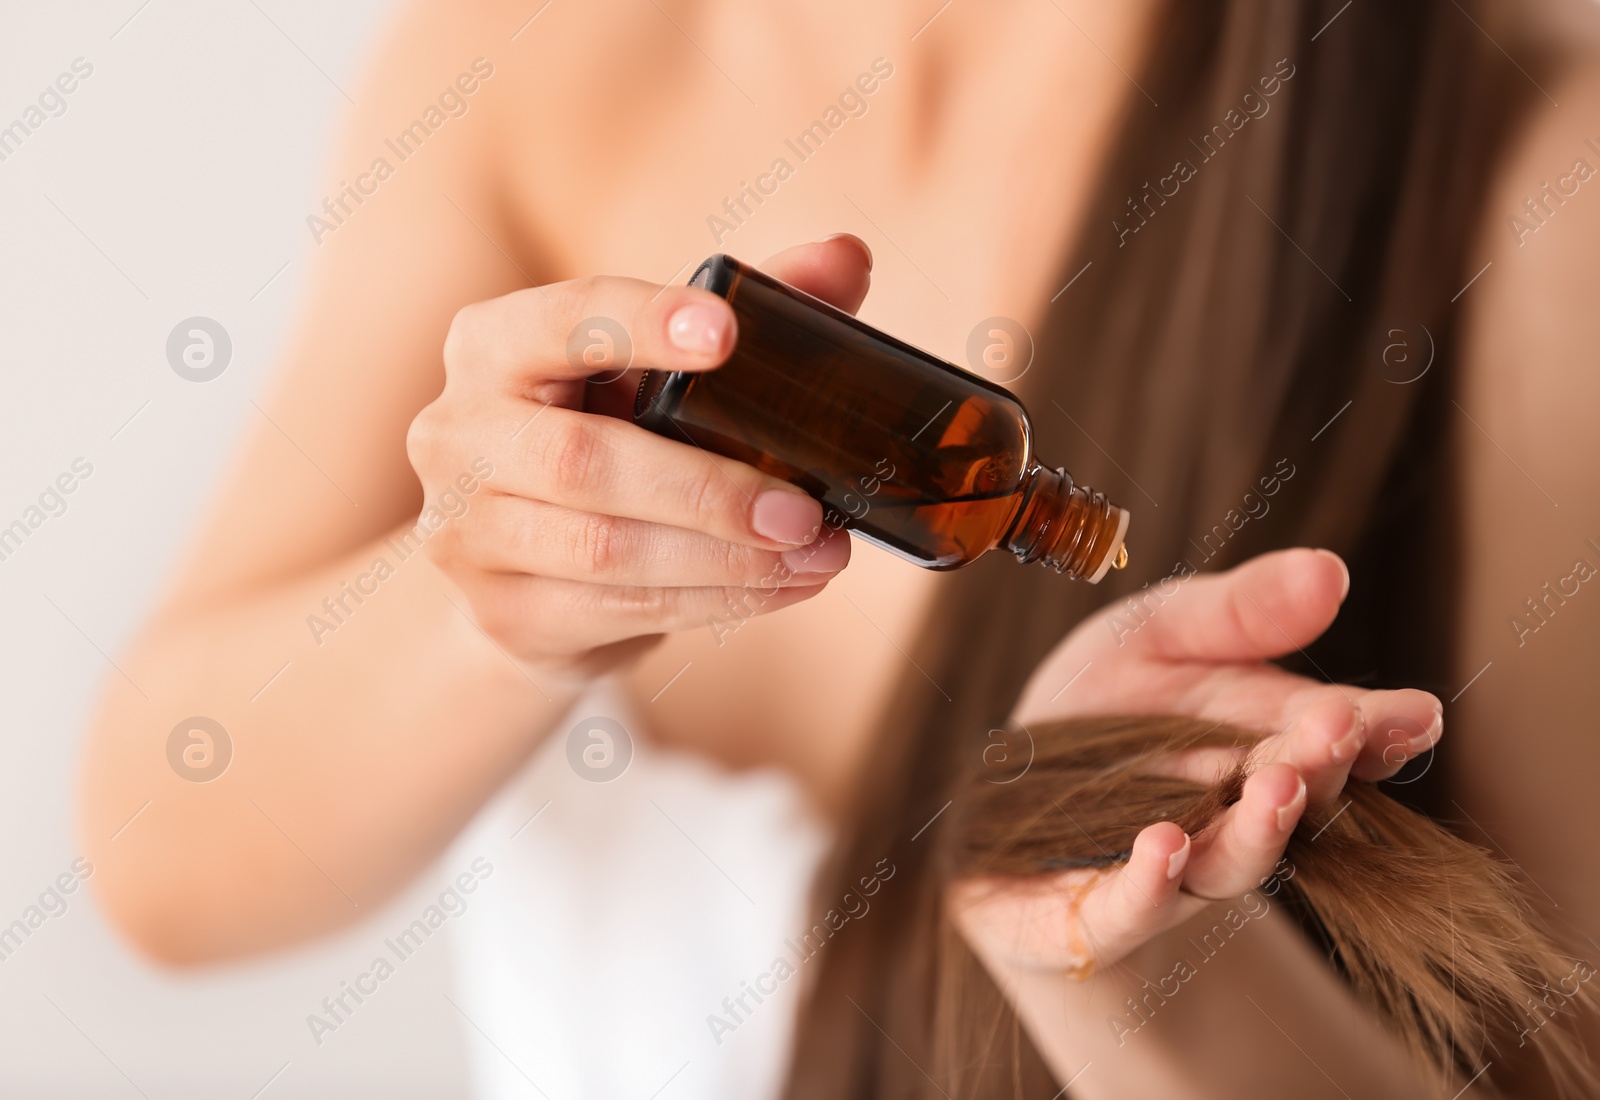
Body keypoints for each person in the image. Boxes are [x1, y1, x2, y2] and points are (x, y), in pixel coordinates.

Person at [79, 1, 1600, 1097]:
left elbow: (1548, 1051)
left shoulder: (1523, 174)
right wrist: (490, 609)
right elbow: (164, 855)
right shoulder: (522, 61)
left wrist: (1141, 980)